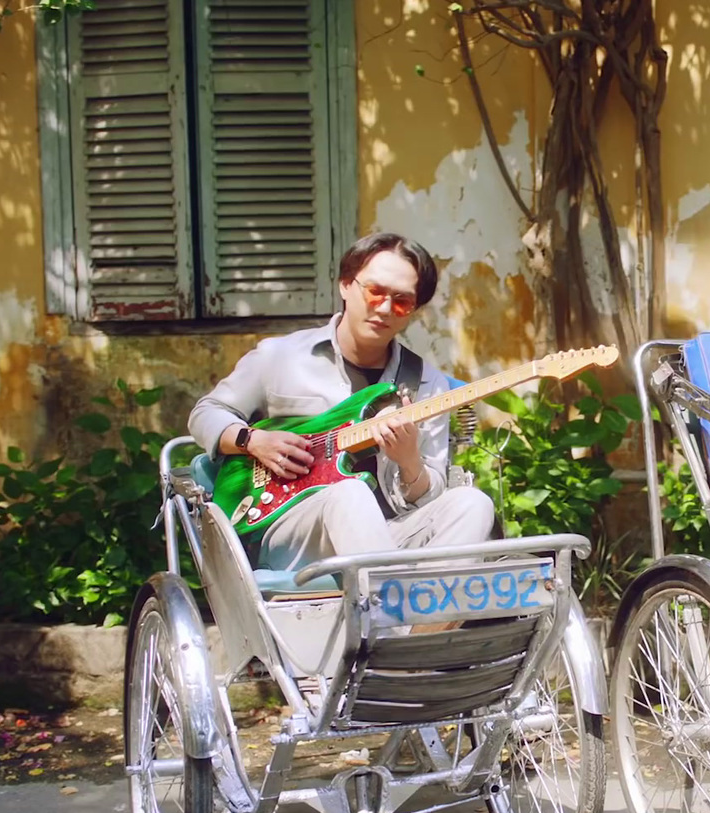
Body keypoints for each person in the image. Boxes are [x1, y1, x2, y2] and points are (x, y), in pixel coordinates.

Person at [188, 232, 495, 578]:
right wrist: (252, 440)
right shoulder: (280, 357)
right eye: (374, 292)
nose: (383, 309)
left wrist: (409, 463)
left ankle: (427, 619)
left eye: (401, 301)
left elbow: (430, 493)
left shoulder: (427, 384)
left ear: (413, 311)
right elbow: (205, 413)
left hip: (386, 534)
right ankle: (394, 616)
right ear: (346, 285)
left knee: (473, 503)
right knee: (349, 493)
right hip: (293, 534)